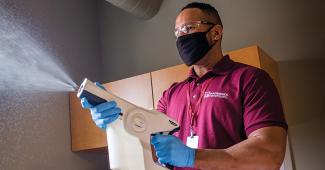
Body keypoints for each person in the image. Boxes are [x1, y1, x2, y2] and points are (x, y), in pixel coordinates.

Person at [81, 2, 288, 170]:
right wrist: (116, 122)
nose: (181, 37)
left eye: (189, 28)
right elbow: (148, 147)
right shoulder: (171, 94)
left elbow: (269, 154)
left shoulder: (250, 80)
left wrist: (192, 157)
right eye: (177, 32)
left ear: (216, 33)